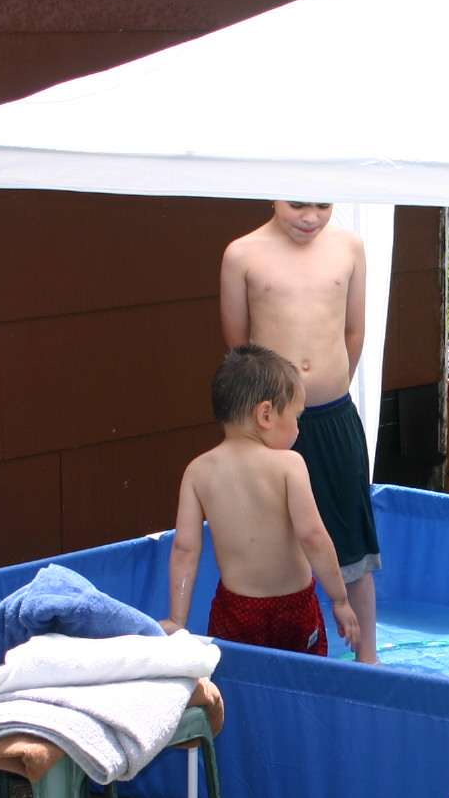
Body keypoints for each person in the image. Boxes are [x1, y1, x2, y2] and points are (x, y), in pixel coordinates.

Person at [220, 200, 381, 663]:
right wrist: (273, 412)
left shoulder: (349, 246)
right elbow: (239, 348)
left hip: (333, 416)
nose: (310, 217)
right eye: (297, 204)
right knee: (271, 539)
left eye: (323, 205)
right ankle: (276, 655)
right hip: (267, 424)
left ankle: (368, 659)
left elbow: (354, 332)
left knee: (351, 539)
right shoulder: (242, 254)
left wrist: (329, 386)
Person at [159, 344, 358, 657]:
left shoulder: (197, 471)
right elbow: (313, 536)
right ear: (265, 414)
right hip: (295, 610)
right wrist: (340, 599)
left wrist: (177, 620)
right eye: (296, 417)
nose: (298, 428)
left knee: (238, 681)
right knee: (302, 678)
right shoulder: (289, 465)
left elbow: (185, 549)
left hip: (236, 612)